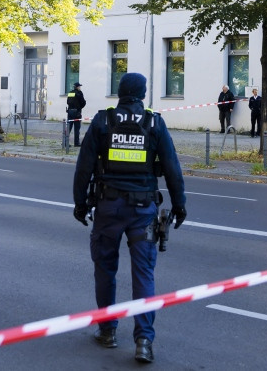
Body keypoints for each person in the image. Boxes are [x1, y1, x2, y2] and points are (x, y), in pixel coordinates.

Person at [72, 72, 186, 364]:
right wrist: (180, 205)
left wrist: (80, 204)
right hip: (143, 212)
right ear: (142, 93)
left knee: (105, 270)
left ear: (120, 92)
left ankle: (108, 331)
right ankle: (144, 341)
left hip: (108, 209)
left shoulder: (102, 121)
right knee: (144, 276)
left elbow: (84, 167)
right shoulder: (154, 122)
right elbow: (172, 167)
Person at [67, 81, 87, 147]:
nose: (80, 87)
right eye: (79, 86)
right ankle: (76, 143)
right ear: (77, 87)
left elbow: (68, 102)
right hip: (77, 112)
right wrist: (79, 108)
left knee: (68, 128)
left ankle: (65, 142)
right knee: (77, 128)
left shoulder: (70, 93)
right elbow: (83, 102)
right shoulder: (79, 93)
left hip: (70, 112)